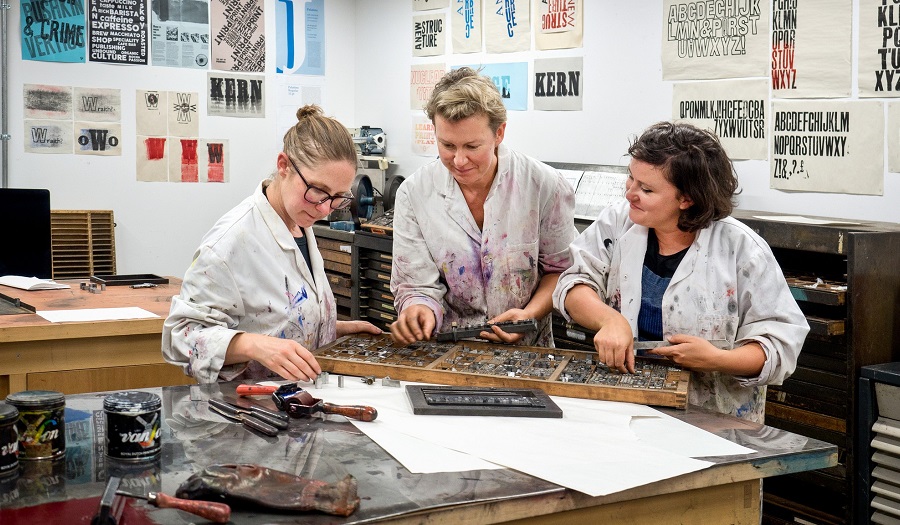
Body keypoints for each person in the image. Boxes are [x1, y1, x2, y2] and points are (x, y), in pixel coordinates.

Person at [552, 121, 809, 423]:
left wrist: (718, 360)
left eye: (646, 189)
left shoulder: (741, 249)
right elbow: (574, 283)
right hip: (624, 404)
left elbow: (780, 345)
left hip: (715, 418)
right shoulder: (619, 223)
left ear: (687, 199)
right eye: (630, 179)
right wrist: (610, 320)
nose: (630, 194)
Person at [162, 105, 381, 383]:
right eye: (317, 191)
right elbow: (180, 338)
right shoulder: (231, 241)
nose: (326, 209)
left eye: (337, 197)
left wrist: (331, 329)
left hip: (297, 401)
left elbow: (271, 319)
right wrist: (254, 346)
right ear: (284, 166)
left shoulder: (300, 222)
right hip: (246, 411)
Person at [390, 67, 576, 347]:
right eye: (447, 145)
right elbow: (416, 286)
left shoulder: (543, 185)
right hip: (449, 352)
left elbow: (560, 270)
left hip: (527, 351)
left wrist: (528, 314)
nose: (460, 160)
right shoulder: (415, 194)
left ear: (499, 133)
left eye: (472, 146)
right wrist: (418, 310)